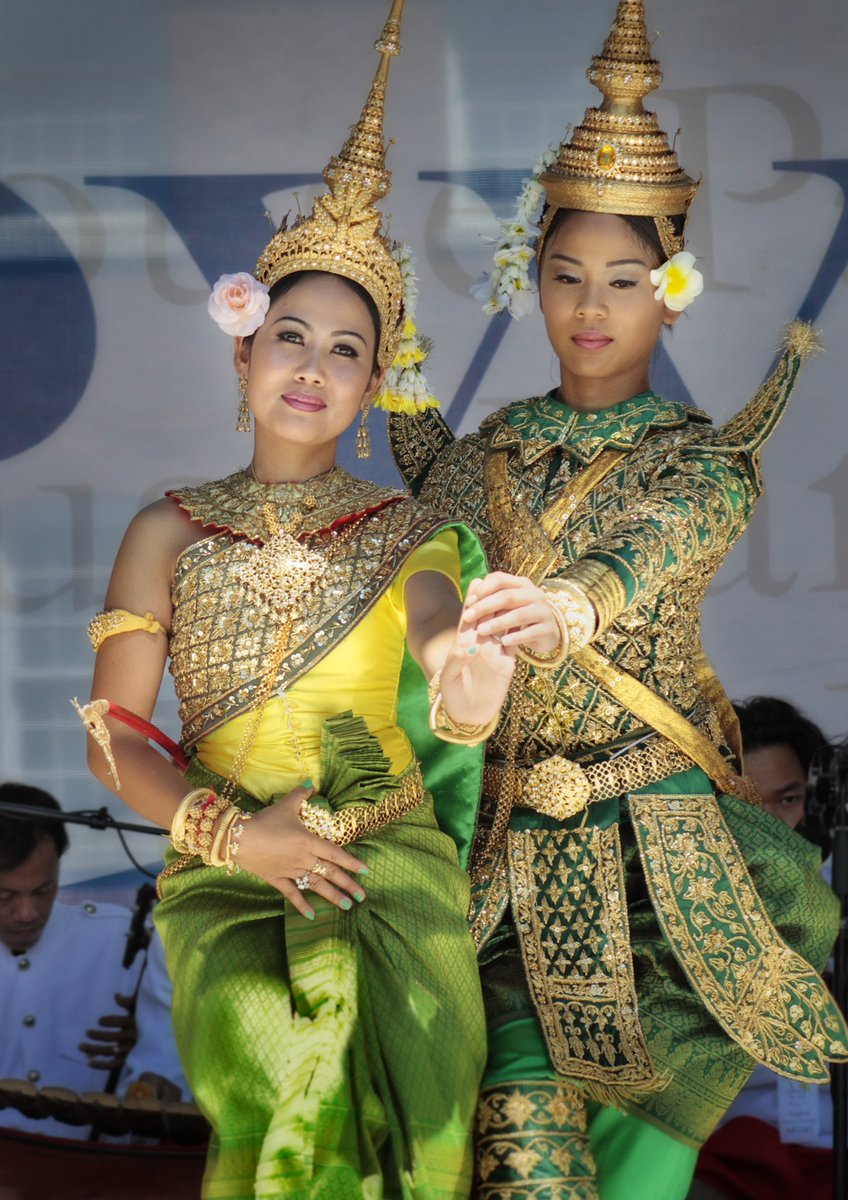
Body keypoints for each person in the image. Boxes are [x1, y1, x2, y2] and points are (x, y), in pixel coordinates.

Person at [80, 3, 555, 1196]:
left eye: (347, 349)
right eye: (289, 334)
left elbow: (446, 655)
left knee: (433, 1121)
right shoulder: (168, 529)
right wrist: (243, 837)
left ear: (374, 381)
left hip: (392, 862)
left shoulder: (412, 532)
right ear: (241, 356)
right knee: (279, 1085)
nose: (311, 365)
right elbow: (115, 740)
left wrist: (470, 684)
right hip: (225, 874)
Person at [388, 2, 848, 1196]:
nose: (591, 306)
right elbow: (423, 495)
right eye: (564, 276)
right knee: (509, 1154)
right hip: (497, 857)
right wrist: (375, 337)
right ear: (529, 281)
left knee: (630, 1172)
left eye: (624, 279)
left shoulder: (699, 461)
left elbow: (658, 544)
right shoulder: (486, 454)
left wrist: (573, 608)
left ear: (673, 291)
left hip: (658, 875)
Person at [691, 697, 848, 1200]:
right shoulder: (686, 916)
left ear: (819, 809)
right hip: (736, 1150)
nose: (770, 825)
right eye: (748, 803)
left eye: (788, 799)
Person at [0, 781, 139, 1139]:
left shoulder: (122, 941)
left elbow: (167, 1070)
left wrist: (141, 1051)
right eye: (5, 896)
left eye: (43, 890)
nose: (27, 913)